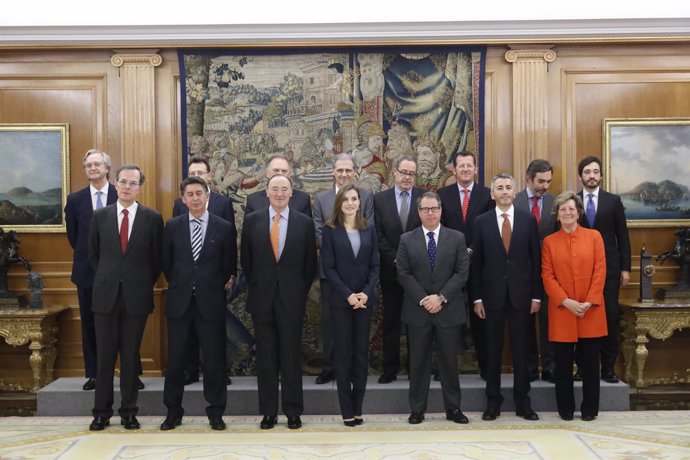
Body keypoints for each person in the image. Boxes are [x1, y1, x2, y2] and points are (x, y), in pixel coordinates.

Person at [87, 164, 163, 431]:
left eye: (133, 183)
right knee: (105, 358)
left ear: (140, 187)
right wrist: (111, 278)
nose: (127, 186)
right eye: (123, 182)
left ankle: (129, 412)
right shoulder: (100, 216)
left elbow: (157, 261)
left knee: (130, 357)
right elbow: (93, 256)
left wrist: (137, 282)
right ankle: (101, 413)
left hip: (136, 297)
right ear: (115, 184)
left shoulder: (152, 218)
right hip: (105, 296)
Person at [240, 174, 317, 430]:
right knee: (266, 358)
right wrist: (262, 286)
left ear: (291, 193)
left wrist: (296, 291)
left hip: (291, 300)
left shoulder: (304, 223)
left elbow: (309, 266)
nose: (280, 193)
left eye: (285, 189)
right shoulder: (252, 221)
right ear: (267, 192)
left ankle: (293, 412)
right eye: (275, 189)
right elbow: (247, 263)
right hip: (262, 299)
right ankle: (269, 412)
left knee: (291, 356)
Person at [161, 176, 237, 431]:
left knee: (214, 361)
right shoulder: (172, 226)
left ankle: (216, 413)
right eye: (189, 194)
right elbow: (167, 265)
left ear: (207, 196)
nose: (194, 198)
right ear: (183, 199)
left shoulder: (224, 227)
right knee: (176, 362)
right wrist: (186, 284)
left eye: (199, 193)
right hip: (180, 303)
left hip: (211, 303)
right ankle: (173, 412)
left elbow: (228, 265)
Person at [472, 173, 542, 422]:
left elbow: (535, 261)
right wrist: (477, 298)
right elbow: (476, 264)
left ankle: (523, 403)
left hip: (522, 296)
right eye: (499, 188)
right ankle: (493, 403)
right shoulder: (481, 222)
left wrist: (536, 295)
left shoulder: (527, 221)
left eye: (508, 188)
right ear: (492, 194)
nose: (504, 191)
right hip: (490, 298)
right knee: (493, 352)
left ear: (515, 192)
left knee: (521, 352)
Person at [396, 191, 470, 425]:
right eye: (426, 209)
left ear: (440, 210)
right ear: (418, 213)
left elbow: (462, 273)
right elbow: (403, 274)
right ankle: (417, 409)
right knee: (418, 364)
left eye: (434, 209)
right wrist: (425, 299)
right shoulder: (406, 239)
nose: (430, 213)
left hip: (448, 310)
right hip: (418, 312)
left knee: (449, 363)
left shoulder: (456, 238)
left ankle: (454, 409)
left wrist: (440, 297)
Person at [542, 191, 607, 421]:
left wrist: (588, 301)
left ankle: (590, 410)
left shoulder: (595, 237)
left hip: (592, 310)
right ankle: (566, 409)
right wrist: (567, 301)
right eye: (563, 210)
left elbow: (600, 271)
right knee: (562, 365)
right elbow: (547, 276)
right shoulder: (549, 242)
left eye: (571, 209)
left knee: (590, 365)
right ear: (557, 215)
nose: (567, 213)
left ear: (578, 213)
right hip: (562, 310)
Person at [172, 155, 237, 386]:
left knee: (216, 331)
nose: (197, 177)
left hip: (214, 282)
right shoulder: (180, 205)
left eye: (201, 173)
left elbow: (230, 242)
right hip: (186, 283)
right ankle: (190, 370)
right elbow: (173, 247)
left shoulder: (223, 203)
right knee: (188, 332)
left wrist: (229, 274)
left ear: (209, 176)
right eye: (193, 173)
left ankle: (219, 372)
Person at [321, 184, 379, 427]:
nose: (351, 203)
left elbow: (375, 266)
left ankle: (358, 408)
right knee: (343, 355)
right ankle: (346, 410)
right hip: (341, 302)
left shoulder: (369, 229)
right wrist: (348, 295)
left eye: (354, 198)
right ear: (339, 203)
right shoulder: (330, 231)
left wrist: (365, 293)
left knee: (361, 355)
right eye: (346, 199)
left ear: (360, 202)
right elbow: (329, 268)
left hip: (364, 302)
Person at [313, 153, 374, 385]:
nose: (344, 174)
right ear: (333, 172)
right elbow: (318, 230)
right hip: (331, 272)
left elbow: (370, 228)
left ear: (355, 172)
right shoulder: (321, 199)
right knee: (330, 323)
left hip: (360, 273)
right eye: (340, 170)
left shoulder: (366, 197)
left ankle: (356, 370)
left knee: (359, 325)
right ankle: (330, 367)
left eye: (349, 170)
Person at [438, 151, 494, 378]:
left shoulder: (487, 195)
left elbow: (490, 229)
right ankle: (445, 368)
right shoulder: (442, 195)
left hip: (479, 266)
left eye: (469, 166)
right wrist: (456, 254)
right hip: (449, 268)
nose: (465, 169)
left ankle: (486, 366)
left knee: (481, 317)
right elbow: (439, 229)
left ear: (475, 169)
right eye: (461, 166)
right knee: (446, 318)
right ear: (454, 169)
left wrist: (470, 250)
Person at [65, 149, 117, 391]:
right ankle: (95, 374)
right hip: (87, 273)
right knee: (89, 323)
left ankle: (131, 372)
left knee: (125, 322)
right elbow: (74, 238)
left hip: (119, 272)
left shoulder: (121, 194)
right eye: (88, 165)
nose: (93, 168)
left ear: (107, 168)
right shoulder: (75, 200)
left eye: (97, 164)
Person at [577, 156, 631, 383]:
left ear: (601, 175)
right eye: (587, 172)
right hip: (580, 272)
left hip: (609, 271)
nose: (592, 176)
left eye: (595, 172)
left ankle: (607, 367)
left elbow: (623, 237)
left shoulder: (613, 201)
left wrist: (626, 269)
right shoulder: (573, 201)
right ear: (580, 176)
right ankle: (582, 367)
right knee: (582, 318)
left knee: (609, 317)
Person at [373, 155, 424, 384]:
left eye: (411, 174)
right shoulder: (380, 200)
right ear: (394, 171)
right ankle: (390, 368)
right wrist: (396, 259)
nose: (407, 177)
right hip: (391, 271)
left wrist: (410, 262)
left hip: (418, 274)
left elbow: (428, 231)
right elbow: (378, 235)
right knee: (391, 321)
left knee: (416, 322)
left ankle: (416, 367)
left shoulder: (425, 198)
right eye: (404, 172)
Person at [514, 159, 557, 383]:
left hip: (550, 273)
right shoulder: (514, 201)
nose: (546, 186)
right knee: (525, 321)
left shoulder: (555, 203)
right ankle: (529, 367)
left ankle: (549, 367)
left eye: (549, 181)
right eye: (541, 181)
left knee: (549, 319)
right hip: (522, 273)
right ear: (529, 179)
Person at [244, 155, 312, 217]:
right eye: (276, 170)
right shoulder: (253, 200)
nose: (280, 174)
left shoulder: (303, 199)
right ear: (267, 173)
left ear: (289, 174)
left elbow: (306, 228)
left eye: (284, 171)